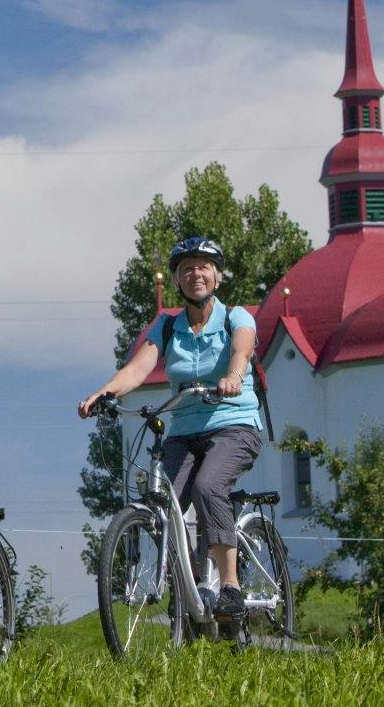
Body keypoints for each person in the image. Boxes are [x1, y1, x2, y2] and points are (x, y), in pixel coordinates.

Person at [77, 236, 261, 630]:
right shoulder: (168, 325)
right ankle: (192, 586)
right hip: (185, 427)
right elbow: (139, 368)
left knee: (208, 486)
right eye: (187, 268)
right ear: (178, 279)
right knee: (163, 502)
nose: (196, 273)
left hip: (233, 422)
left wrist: (233, 376)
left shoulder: (236, 317)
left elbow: (242, 350)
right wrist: (105, 392)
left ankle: (229, 585)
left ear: (217, 276)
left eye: (204, 266)